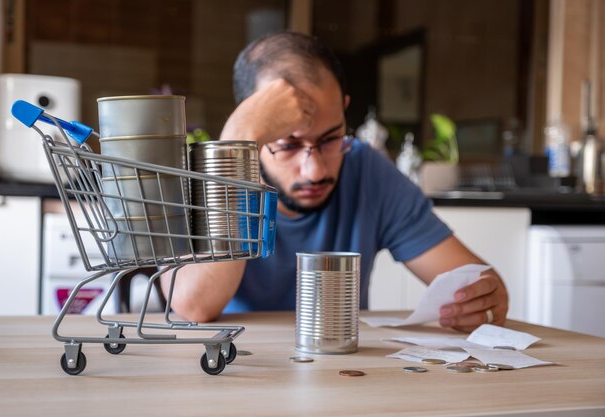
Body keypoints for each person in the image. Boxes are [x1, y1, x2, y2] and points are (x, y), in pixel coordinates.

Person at [161, 31, 508, 332]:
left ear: (344, 111)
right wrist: (237, 140)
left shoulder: (366, 170)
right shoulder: (199, 176)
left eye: (330, 139)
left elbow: (473, 280)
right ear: (253, 132)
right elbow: (194, 306)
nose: (314, 171)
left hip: (339, 375)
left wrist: (484, 298)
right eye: (288, 145)